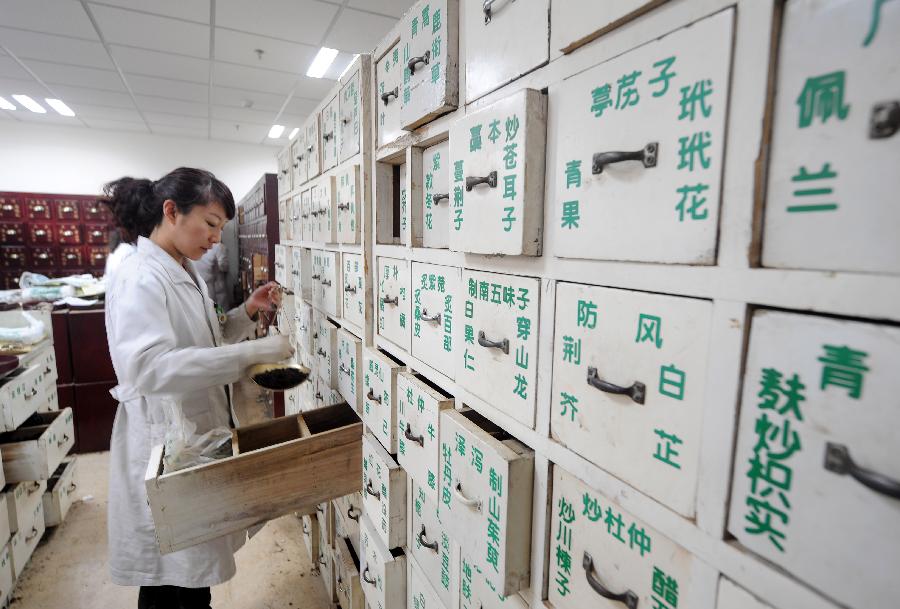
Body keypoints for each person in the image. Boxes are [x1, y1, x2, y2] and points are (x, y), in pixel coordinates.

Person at [101, 167, 294, 609]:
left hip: (191, 442)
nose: (214, 238)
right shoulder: (139, 276)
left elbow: (205, 337)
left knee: (187, 581)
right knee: (173, 584)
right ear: (171, 211)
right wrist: (252, 354)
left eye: (221, 228)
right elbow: (148, 369)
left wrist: (246, 313)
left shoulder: (182, 269)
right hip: (166, 447)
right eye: (209, 224)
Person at [193, 241, 230, 310]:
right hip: (215, 290)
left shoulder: (190, 248)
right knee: (220, 316)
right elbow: (225, 267)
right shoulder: (218, 247)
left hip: (206, 290)